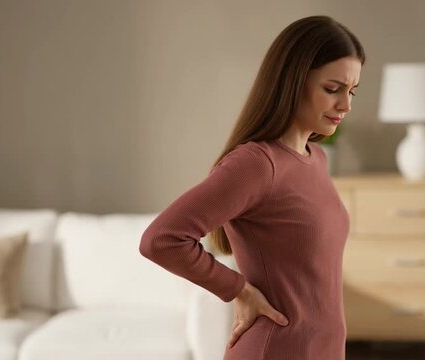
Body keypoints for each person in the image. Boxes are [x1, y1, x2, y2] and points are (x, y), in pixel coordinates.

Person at [139, 15, 364, 360]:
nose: (345, 105)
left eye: (351, 91)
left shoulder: (315, 157)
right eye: (332, 89)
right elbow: (161, 239)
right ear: (293, 81)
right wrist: (238, 290)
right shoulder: (257, 163)